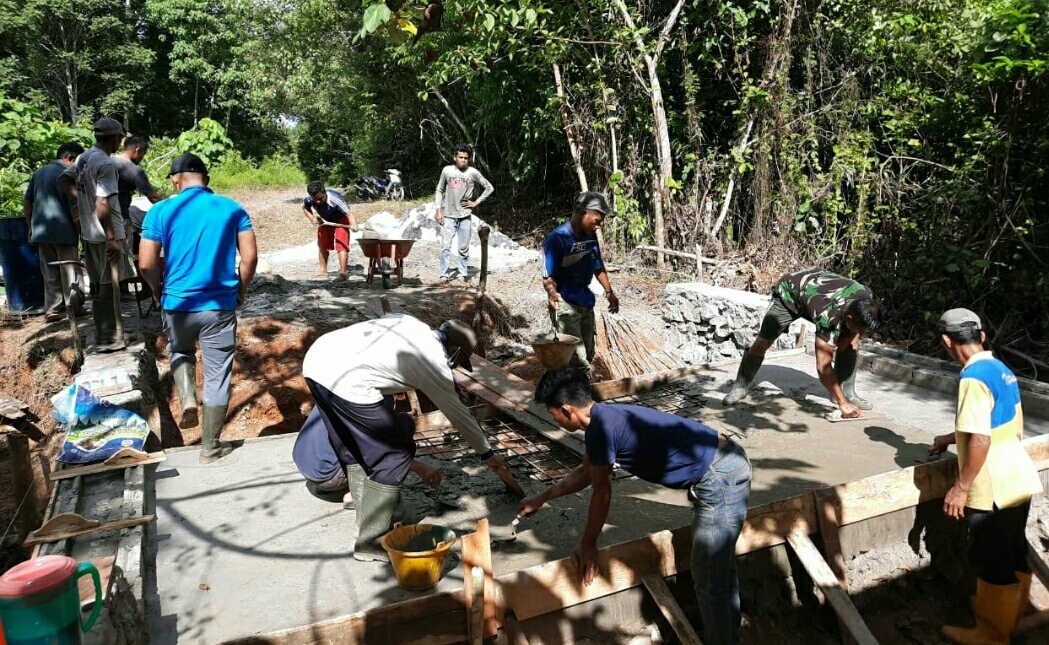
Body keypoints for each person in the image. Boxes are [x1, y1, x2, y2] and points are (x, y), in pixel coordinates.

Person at [518, 368, 751, 645]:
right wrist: (540, 499)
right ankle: (727, 636)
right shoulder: (605, 417)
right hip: (725, 464)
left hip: (719, 475)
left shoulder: (601, 428)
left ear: (567, 410)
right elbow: (585, 474)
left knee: (710, 577)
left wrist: (589, 544)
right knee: (718, 571)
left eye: (552, 412)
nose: (552, 418)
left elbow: (602, 492)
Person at [301, 314, 512, 561]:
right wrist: (487, 453)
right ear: (454, 351)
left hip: (317, 362)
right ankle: (371, 541)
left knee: (351, 445)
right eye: (458, 361)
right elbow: (458, 414)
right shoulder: (432, 360)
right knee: (395, 455)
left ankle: (365, 518)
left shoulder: (414, 326)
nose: (454, 366)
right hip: (348, 382)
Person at [928, 309, 1042, 644]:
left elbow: (981, 438)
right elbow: (995, 422)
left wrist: (960, 487)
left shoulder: (971, 379)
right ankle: (1012, 617)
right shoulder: (1001, 370)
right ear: (982, 336)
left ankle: (992, 634)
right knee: (1013, 550)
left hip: (991, 485)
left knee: (990, 558)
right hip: (1018, 476)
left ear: (947, 341)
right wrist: (951, 438)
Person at [138, 153, 258, 464]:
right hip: (219, 305)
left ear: (176, 180)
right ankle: (210, 448)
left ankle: (188, 399)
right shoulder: (232, 208)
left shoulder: (161, 210)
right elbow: (250, 258)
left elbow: (146, 263)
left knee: (180, 351)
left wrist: (157, 290)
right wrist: (240, 290)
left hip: (177, 304)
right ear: (206, 179)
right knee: (218, 374)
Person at [722, 267, 881, 418]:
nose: (861, 334)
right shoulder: (828, 314)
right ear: (848, 318)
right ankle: (740, 387)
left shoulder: (866, 298)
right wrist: (843, 405)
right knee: (764, 341)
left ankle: (847, 392)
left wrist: (848, 337)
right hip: (791, 294)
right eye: (859, 328)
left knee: (852, 341)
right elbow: (823, 366)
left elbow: (854, 331)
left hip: (819, 295)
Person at [57, 117, 135, 350]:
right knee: (109, 283)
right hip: (106, 233)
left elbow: (62, 179)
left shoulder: (84, 157)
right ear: (113, 138)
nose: (120, 142)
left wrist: (81, 203)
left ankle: (106, 333)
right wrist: (111, 237)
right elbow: (103, 202)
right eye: (120, 138)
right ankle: (111, 337)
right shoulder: (105, 164)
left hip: (90, 233)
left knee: (100, 282)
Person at [292, 407, 443, 508]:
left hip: (306, 463)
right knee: (403, 425)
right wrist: (419, 467)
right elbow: (375, 447)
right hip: (329, 474)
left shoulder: (336, 379)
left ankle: (332, 482)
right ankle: (355, 492)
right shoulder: (370, 394)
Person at [541, 192, 620, 369]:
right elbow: (548, 276)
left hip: (586, 301)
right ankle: (576, 393)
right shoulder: (558, 239)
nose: (599, 225)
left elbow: (597, 266)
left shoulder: (590, 236)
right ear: (584, 213)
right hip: (566, 304)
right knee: (576, 358)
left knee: (589, 353)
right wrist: (553, 293)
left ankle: (578, 388)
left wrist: (609, 292)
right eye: (598, 220)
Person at [23, 142, 87, 322]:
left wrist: (30, 227)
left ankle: (52, 309)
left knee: (50, 271)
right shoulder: (67, 174)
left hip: (41, 232)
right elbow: (74, 207)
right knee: (70, 270)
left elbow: (27, 203)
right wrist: (80, 231)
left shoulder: (39, 172)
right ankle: (74, 308)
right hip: (63, 231)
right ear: (69, 158)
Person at [435, 144, 493, 283]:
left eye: (466, 158)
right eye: (460, 157)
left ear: (469, 159)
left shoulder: (472, 173)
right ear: (455, 157)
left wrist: (476, 202)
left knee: (463, 247)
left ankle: (462, 274)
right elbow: (439, 190)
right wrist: (438, 210)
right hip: (449, 215)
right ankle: (443, 274)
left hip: (465, 216)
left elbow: (489, 187)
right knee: (445, 246)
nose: (463, 160)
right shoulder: (447, 171)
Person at [113, 135, 161, 252]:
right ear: (137, 150)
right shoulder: (133, 170)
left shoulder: (107, 161)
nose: (141, 159)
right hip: (120, 218)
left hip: (99, 218)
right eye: (142, 155)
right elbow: (153, 197)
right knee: (124, 257)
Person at [301, 180, 357, 281]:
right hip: (325, 220)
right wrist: (313, 218)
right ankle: (323, 270)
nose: (317, 201)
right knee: (323, 243)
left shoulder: (336, 199)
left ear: (324, 192)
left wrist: (353, 225)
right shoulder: (308, 199)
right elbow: (305, 208)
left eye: (320, 198)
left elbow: (349, 214)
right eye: (315, 199)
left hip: (341, 220)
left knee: (341, 243)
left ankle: (343, 272)